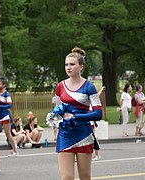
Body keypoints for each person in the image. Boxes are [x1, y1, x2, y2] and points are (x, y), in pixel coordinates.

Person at [54, 47, 102, 180]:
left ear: (81, 67)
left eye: (72, 64)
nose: (68, 67)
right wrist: (55, 122)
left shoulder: (89, 87)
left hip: (83, 134)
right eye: (66, 64)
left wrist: (76, 117)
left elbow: (98, 114)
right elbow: (57, 110)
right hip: (65, 134)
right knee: (67, 177)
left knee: (85, 177)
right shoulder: (60, 87)